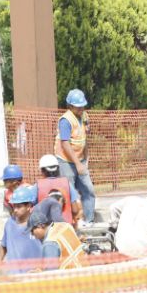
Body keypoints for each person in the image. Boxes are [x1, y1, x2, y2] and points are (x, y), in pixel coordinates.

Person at [54, 89, 96, 224]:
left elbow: (84, 138)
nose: (81, 109)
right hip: (66, 161)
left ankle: (89, 222)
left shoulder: (84, 116)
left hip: (80, 159)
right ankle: (70, 223)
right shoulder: (65, 121)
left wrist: (85, 159)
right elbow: (65, 144)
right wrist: (77, 163)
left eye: (82, 106)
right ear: (70, 106)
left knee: (88, 190)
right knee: (68, 193)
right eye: (78, 107)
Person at [108, 189, 147, 257]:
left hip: (120, 248)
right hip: (140, 252)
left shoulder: (130, 199)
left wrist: (114, 226)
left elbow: (112, 208)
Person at [0, 185, 42, 271]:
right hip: (14, 277)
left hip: (34, 275)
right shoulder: (10, 223)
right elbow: (4, 246)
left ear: (28, 206)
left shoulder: (38, 224)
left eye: (19, 206)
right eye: (14, 206)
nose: (15, 210)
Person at [36, 154, 83, 226]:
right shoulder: (67, 184)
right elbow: (75, 210)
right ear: (58, 169)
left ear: (42, 171)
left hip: (45, 229)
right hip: (65, 228)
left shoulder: (37, 186)